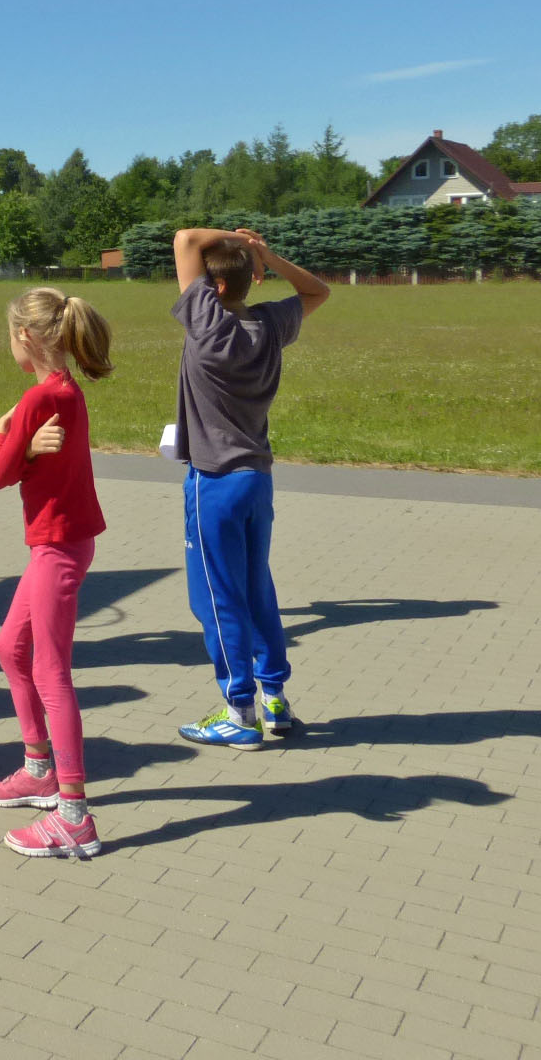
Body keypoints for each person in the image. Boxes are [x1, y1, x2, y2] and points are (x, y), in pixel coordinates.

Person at [169, 226, 329, 750]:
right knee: (257, 586)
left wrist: (231, 241)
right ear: (248, 283)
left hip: (214, 481)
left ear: (211, 292)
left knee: (217, 597)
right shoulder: (268, 324)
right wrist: (266, 252)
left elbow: (185, 237)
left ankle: (238, 711)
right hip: (257, 480)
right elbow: (317, 292)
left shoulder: (208, 329)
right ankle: (275, 698)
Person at [0, 290, 113, 858]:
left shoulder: (39, 399)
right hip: (61, 545)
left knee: (50, 669)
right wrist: (25, 441)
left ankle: (75, 818)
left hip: (58, 547)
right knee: (10, 647)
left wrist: (6, 434)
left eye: (11, 335)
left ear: (27, 339)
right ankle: (39, 768)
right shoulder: (65, 391)